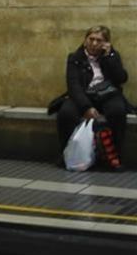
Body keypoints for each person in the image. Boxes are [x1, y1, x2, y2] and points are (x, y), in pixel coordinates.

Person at [53, 26, 131, 171]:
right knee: (66, 113)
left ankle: (113, 158)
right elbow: (73, 86)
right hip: (83, 95)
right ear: (85, 40)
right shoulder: (75, 58)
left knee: (117, 111)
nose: (94, 43)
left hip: (108, 94)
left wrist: (109, 57)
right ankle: (67, 155)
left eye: (99, 40)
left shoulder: (112, 55)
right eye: (91, 39)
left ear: (106, 43)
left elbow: (121, 78)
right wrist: (86, 107)